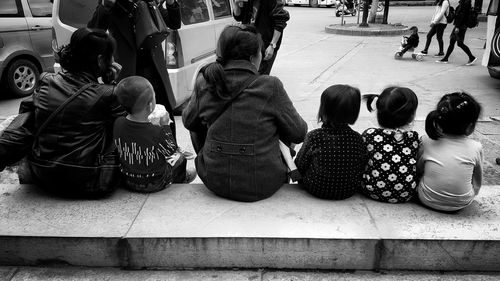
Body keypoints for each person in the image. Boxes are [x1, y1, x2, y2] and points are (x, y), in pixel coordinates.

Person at [182, 24, 307, 202]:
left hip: (214, 178)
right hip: (263, 182)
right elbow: (299, 132)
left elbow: (189, 122)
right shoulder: (270, 86)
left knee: (196, 120)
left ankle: (214, 160)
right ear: (252, 58)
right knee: (283, 124)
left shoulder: (206, 80)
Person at [25, 28, 125, 198]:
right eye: (111, 56)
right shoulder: (107, 94)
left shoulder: (46, 82)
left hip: (43, 174)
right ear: (101, 60)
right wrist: (112, 84)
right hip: (89, 180)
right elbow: (126, 126)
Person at [88, 0, 181, 138]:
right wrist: (106, 5)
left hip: (154, 70)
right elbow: (94, 31)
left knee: (163, 118)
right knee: (133, 125)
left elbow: (174, 23)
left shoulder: (149, 1)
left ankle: (170, 152)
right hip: (129, 74)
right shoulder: (112, 4)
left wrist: (172, 3)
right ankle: (137, 156)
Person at [113, 76, 196, 193]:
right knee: (180, 158)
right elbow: (171, 150)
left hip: (126, 179)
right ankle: (182, 178)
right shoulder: (156, 131)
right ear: (151, 105)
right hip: (154, 182)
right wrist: (165, 126)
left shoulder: (118, 123)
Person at [295, 85, 366, 200]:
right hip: (348, 191)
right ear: (354, 113)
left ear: (324, 110)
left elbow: (300, 164)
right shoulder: (357, 138)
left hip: (315, 188)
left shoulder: (315, 136)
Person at [418, 92, 482, 212]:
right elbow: (477, 177)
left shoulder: (426, 141)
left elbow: (419, 169)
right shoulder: (476, 147)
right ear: (470, 127)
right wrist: (474, 192)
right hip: (462, 202)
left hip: (426, 198)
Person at [361, 87, 420, 203]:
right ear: (412, 116)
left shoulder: (370, 134)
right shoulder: (412, 138)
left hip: (372, 190)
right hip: (405, 194)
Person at [231, 0, 290, 75]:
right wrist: (236, 4)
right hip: (248, 44)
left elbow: (280, 21)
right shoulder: (247, 1)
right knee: (247, 76)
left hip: (265, 46)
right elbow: (239, 17)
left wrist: (272, 45)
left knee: (260, 77)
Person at [437, 0, 476, 65]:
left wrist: (457, 26)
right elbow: (459, 14)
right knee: (452, 41)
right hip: (459, 25)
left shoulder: (465, 3)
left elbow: (462, 16)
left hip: (460, 26)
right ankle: (446, 58)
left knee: (460, 43)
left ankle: (472, 57)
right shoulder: (463, 2)